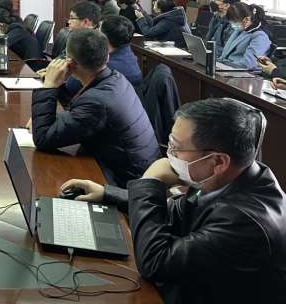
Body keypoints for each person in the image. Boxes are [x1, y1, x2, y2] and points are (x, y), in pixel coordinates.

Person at [60, 98, 286, 303]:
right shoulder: (227, 175)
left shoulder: (246, 222)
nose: (170, 155)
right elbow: (173, 212)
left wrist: (150, 181)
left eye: (177, 147)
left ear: (218, 161)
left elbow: (155, 263)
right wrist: (108, 194)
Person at [29, 29, 160, 188]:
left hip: (127, 184)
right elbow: (80, 117)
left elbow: (43, 138)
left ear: (70, 63)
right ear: (107, 57)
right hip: (139, 168)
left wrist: (49, 86)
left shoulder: (97, 102)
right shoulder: (115, 77)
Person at [62, 14, 143, 93]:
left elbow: (72, 86)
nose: (95, 31)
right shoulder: (126, 52)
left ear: (105, 38)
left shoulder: (102, 63)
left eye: (98, 30)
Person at [217, 2, 271, 69]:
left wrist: (225, 66)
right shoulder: (240, 31)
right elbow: (224, 55)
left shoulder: (260, 37)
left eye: (234, 21)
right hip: (228, 67)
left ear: (246, 20)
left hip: (241, 71)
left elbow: (248, 64)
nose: (232, 24)